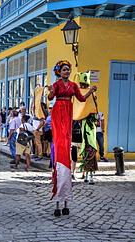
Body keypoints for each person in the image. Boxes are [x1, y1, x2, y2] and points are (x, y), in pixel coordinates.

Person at [47, 60, 97, 216]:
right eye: (64, 70)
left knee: (67, 140)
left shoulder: (74, 85)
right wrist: (49, 91)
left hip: (68, 110)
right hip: (58, 110)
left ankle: (66, 183)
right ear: (59, 72)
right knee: (60, 140)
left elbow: (81, 99)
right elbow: (50, 98)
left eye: (68, 69)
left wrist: (91, 91)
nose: (67, 72)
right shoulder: (56, 85)